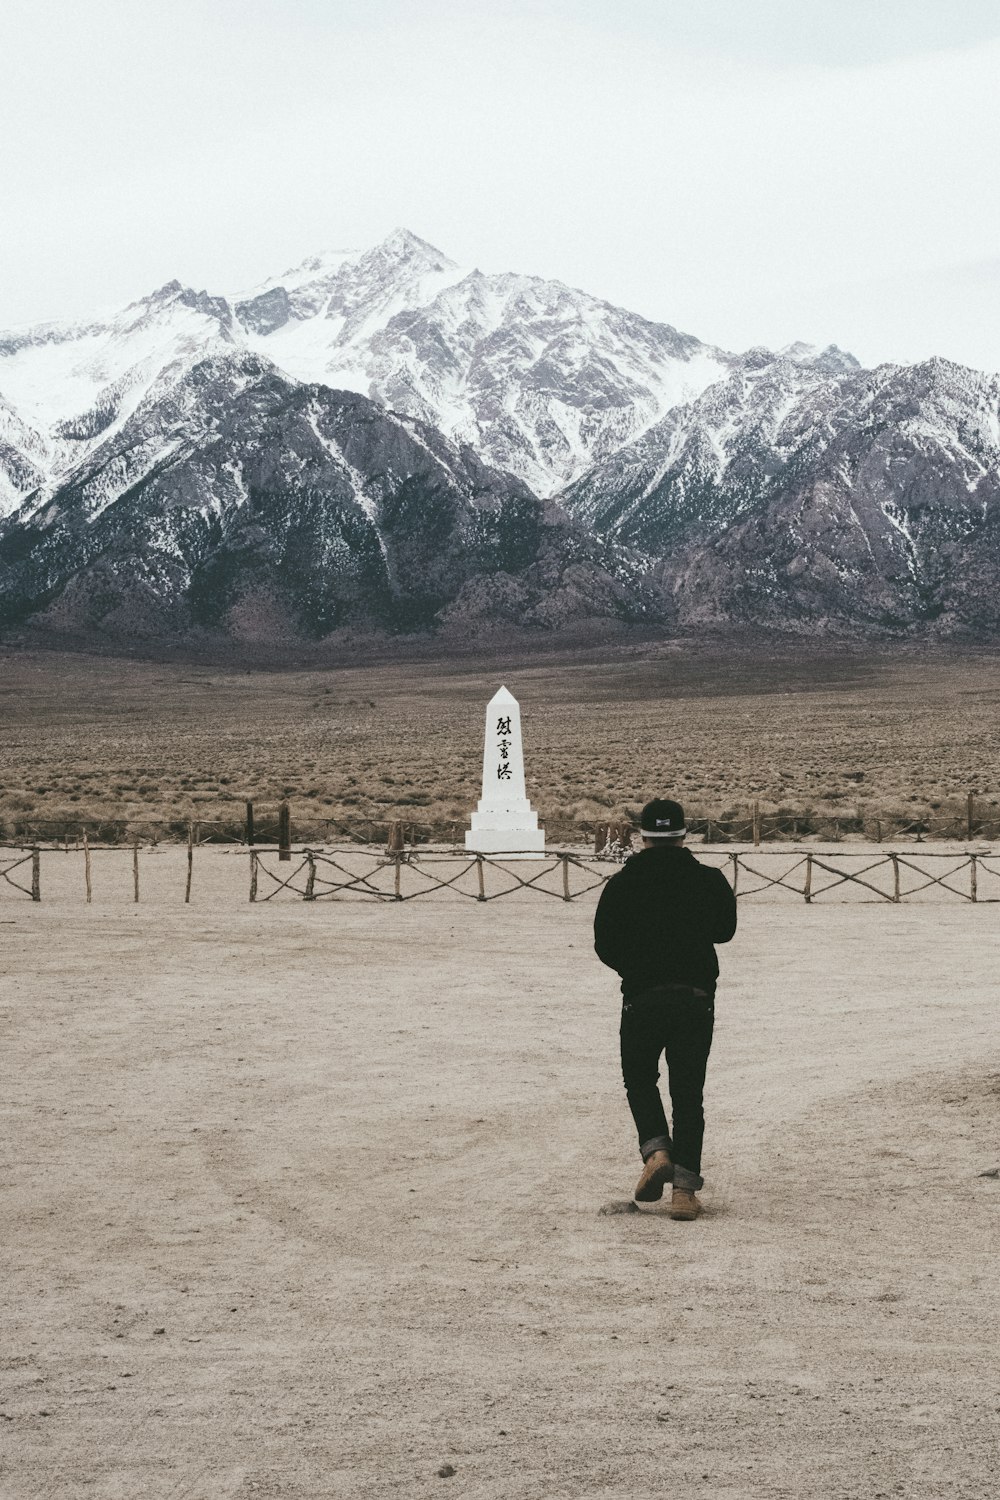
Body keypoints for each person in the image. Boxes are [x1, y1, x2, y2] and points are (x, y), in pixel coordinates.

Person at [594, 797, 737, 1220]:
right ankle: (684, 1193)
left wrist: (636, 966)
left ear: (642, 836)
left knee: (640, 1079)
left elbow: (604, 943)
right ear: (683, 833)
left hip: (641, 995)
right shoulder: (708, 880)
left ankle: (656, 1150)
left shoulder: (622, 883)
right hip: (694, 996)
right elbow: (724, 932)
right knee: (688, 1093)